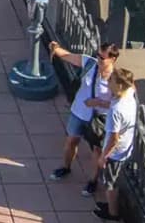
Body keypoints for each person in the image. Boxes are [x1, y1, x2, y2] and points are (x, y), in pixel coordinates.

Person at [46, 40, 120, 190]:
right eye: (98, 55)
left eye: (102, 57)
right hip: (79, 112)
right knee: (71, 141)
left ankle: (92, 181)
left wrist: (97, 102)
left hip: (98, 119)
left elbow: (119, 103)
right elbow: (68, 56)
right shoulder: (90, 63)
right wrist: (55, 48)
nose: (98, 59)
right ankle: (65, 167)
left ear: (112, 59)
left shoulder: (116, 79)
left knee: (97, 151)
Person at [93, 68, 138, 222]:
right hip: (127, 147)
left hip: (116, 153)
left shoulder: (116, 110)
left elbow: (113, 138)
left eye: (111, 80)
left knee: (110, 183)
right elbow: (133, 85)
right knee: (113, 179)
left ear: (119, 86)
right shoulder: (130, 95)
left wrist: (104, 157)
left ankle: (113, 213)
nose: (108, 83)